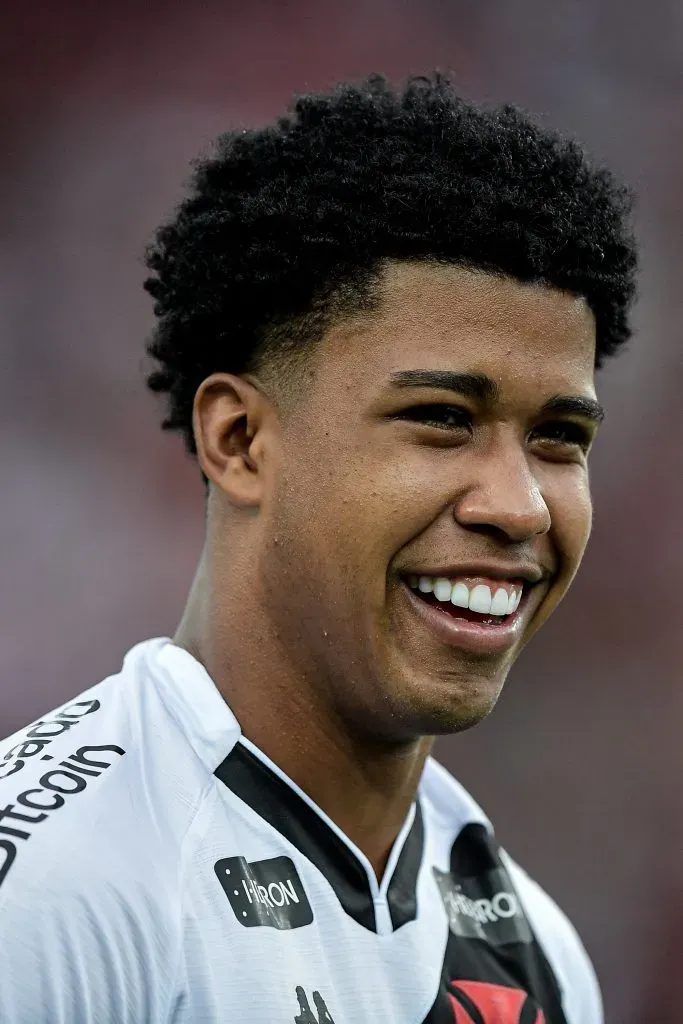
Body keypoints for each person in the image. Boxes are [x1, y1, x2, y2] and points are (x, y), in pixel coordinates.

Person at [0, 73, 637, 1023]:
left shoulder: (536, 958)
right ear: (240, 442)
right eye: (441, 418)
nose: (521, 507)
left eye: (558, 437)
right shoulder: (51, 895)